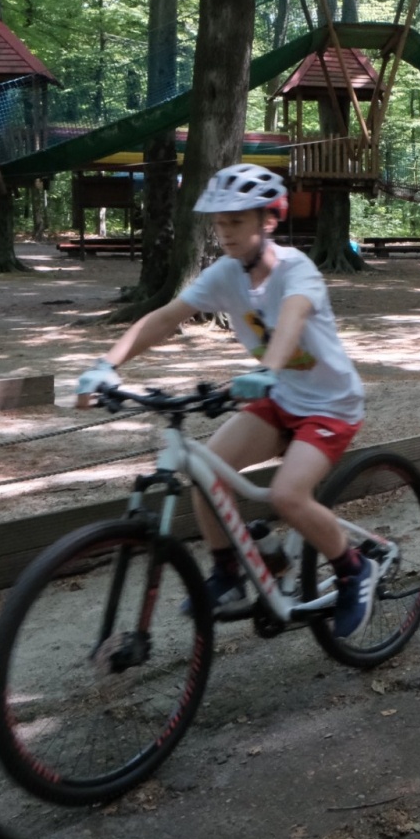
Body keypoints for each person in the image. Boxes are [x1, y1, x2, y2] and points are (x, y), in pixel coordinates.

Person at [75, 163, 375, 638]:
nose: (225, 231)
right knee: (207, 472)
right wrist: (106, 365)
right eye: (219, 222)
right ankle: (230, 575)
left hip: (328, 405)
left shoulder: (297, 270)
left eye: (236, 221)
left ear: (267, 221)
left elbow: (293, 319)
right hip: (277, 399)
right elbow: (165, 317)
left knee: (286, 495)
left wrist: (269, 370)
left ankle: (353, 569)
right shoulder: (224, 275)